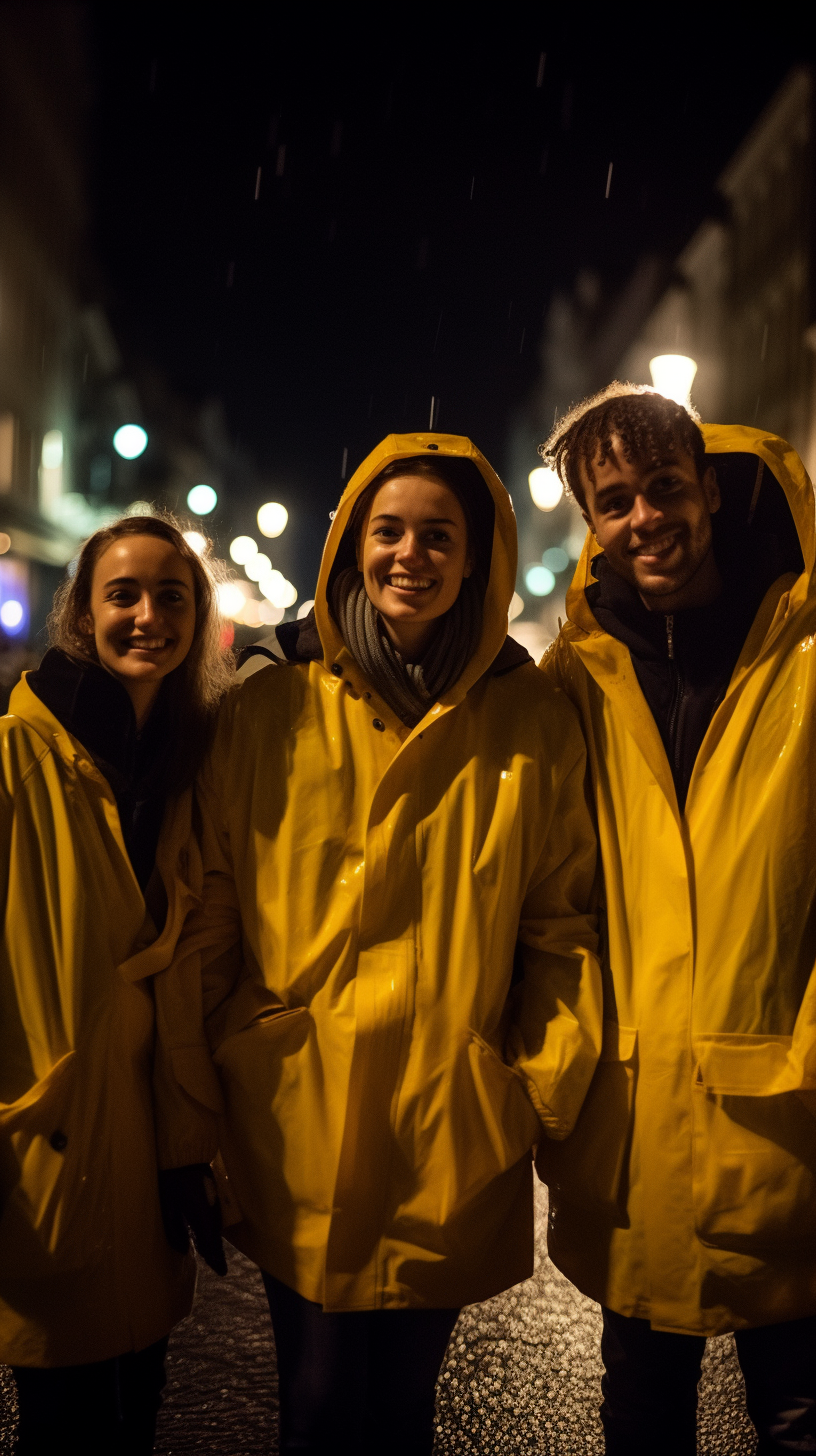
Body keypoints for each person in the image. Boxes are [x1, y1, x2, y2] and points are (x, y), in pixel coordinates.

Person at [163, 431, 603, 1454]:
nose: (411, 554)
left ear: (475, 556)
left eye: (438, 535)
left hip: (450, 1130)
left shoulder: (529, 718)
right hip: (294, 1117)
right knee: (315, 1405)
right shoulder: (272, 706)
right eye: (389, 530)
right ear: (351, 546)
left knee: (404, 1411)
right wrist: (223, 1064)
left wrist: (530, 1084)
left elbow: (560, 925)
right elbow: (215, 909)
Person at [537, 383, 816, 1455]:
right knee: (642, 1417)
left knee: (799, 1413)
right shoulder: (575, 678)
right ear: (592, 521)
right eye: (615, 500)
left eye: (663, 487)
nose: (645, 517)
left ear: (707, 486)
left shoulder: (800, 650)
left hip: (789, 1123)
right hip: (633, 1132)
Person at [0, 514, 231, 1454]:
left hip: (143, 1156)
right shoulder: (19, 757)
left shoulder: (179, 769)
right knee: (68, 1425)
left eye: (170, 596)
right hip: (46, 1144)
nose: (147, 616)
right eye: (122, 595)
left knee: (135, 1409)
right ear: (81, 616)